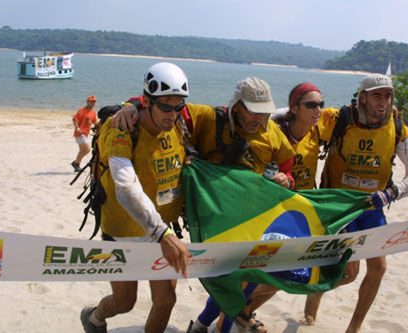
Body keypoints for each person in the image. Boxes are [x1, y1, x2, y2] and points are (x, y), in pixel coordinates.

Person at [111, 77, 296, 333]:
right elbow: (166, 106)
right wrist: (131, 105)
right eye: (253, 110)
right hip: (216, 222)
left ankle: (204, 325)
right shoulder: (208, 119)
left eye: (264, 112)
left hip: (254, 219)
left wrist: (287, 179)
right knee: (227, 282)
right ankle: (205, 324)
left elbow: (287, 165)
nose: (258, 118)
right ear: (237, 106)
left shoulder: (272, 132)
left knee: (250, 277)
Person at [303, 73, 408, 332]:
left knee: (378, 268)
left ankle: (354, 327)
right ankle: (314, 297)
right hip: (340, 206)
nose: (383, 101)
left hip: (373, 204)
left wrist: (393, 192)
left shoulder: (398, 126)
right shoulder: (339, 119)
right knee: (348, 274)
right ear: (363, 98)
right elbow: (297, 117)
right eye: (377, 95)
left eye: (388, 95)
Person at [80, 62, 190, 333]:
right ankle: (94, 317)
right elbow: (125, 187)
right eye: (165, 106)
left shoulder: (177, 122)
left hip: (161, 230)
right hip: (124, 231)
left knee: (166, 301)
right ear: (147, 101)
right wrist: (162, 234)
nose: (172, 114)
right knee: (124, 301)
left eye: (178, 107)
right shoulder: (121, 128)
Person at [231, 82, 325, 331]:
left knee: (281, 275)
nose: (318, 110)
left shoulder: (322, 126)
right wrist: (134, 105)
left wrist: (393, 112)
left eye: (321, 104)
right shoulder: (274, 128)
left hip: (300, 213)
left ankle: (244, 311)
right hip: (268, 213)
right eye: (311, 105)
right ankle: (224, 316)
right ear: (295, 107)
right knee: (253, 272)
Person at [72, 95, 98, 172]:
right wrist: (77, 128)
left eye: (94, 102)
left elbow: (95, 123)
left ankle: (77, 166)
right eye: (91, 101)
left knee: (82, 150)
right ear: (87, 102)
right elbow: (74, 119)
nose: (92, 103)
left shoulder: (93, 112)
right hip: (80, 133)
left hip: (86, 133)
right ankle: (75, 163)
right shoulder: (82, 110)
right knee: (87, 150)